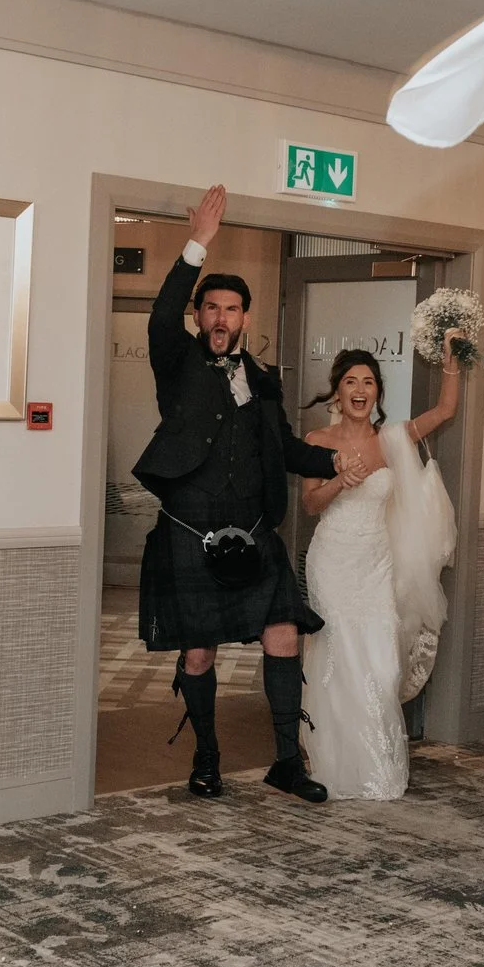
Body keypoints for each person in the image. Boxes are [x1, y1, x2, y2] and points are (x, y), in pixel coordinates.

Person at [134, 185, 353, 803]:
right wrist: (198, 242)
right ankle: (206, 759)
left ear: (245, 320)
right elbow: (160, 316)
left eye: (232, 310)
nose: (221, 318)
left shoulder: (260, 378)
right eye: (212, 308)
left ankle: (286, 761)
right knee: (198, 653)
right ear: (198, 316)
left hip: (254, 533)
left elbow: (282, 448)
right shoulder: (175, 361)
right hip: (189, 528)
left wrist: (334, 460)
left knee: (284, 633)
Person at [296, 337, 462, 801]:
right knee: (337, 655)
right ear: (337, 391)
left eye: (368, 382)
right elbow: (310, 505)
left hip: (375, 563)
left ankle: (376, 763)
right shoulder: (316, 442)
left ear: (377, 393)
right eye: (351, 381)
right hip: (332, 561)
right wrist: (339, 482)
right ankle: (334, 762)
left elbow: (445, 411)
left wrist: (452, 361)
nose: (360, 389)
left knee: (381, 661)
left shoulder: (392, 441)